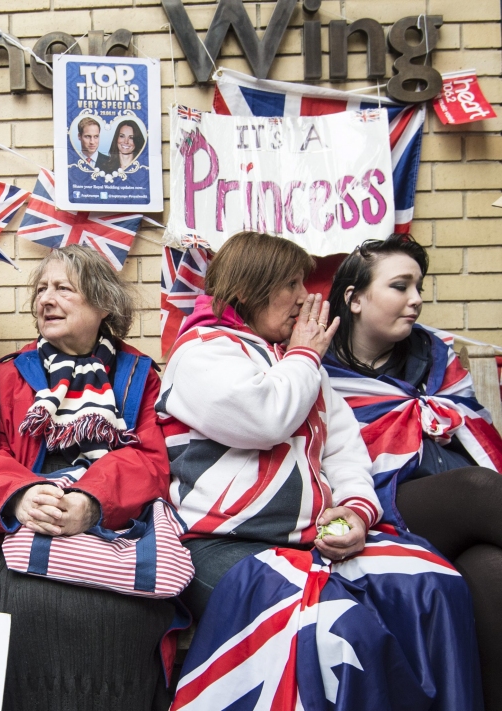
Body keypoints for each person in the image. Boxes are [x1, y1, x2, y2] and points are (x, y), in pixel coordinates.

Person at [157, 231, 483, 709]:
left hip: (308, 541)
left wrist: (355, 511)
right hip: (222, 544)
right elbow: (266, 419)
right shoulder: (201, 352)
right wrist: (306, 355)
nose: (305, 298)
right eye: (290, 284)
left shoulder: (297, 360)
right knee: (339, 629)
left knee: (434, 586)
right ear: (249, 288)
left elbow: (346, 452)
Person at [0, 245, 180, 711]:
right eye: (42, 289)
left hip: (112, 524)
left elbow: (150, 460)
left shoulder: (138, 374)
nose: (47, 299)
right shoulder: (11, 373)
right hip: (31, 526)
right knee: (22, 605)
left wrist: (92, 500)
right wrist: (20, 497)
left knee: (125, 616)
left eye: (63, 289)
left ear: (103, 304)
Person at [323, 234, 502, 710]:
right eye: (400, 286)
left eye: (418, 286)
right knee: (479, 488)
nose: (416, 300)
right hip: (377, 510)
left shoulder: (437, 356)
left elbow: (477, 435)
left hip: (457, 515)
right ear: (355, 298)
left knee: (491, 570)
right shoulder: (316, 366)